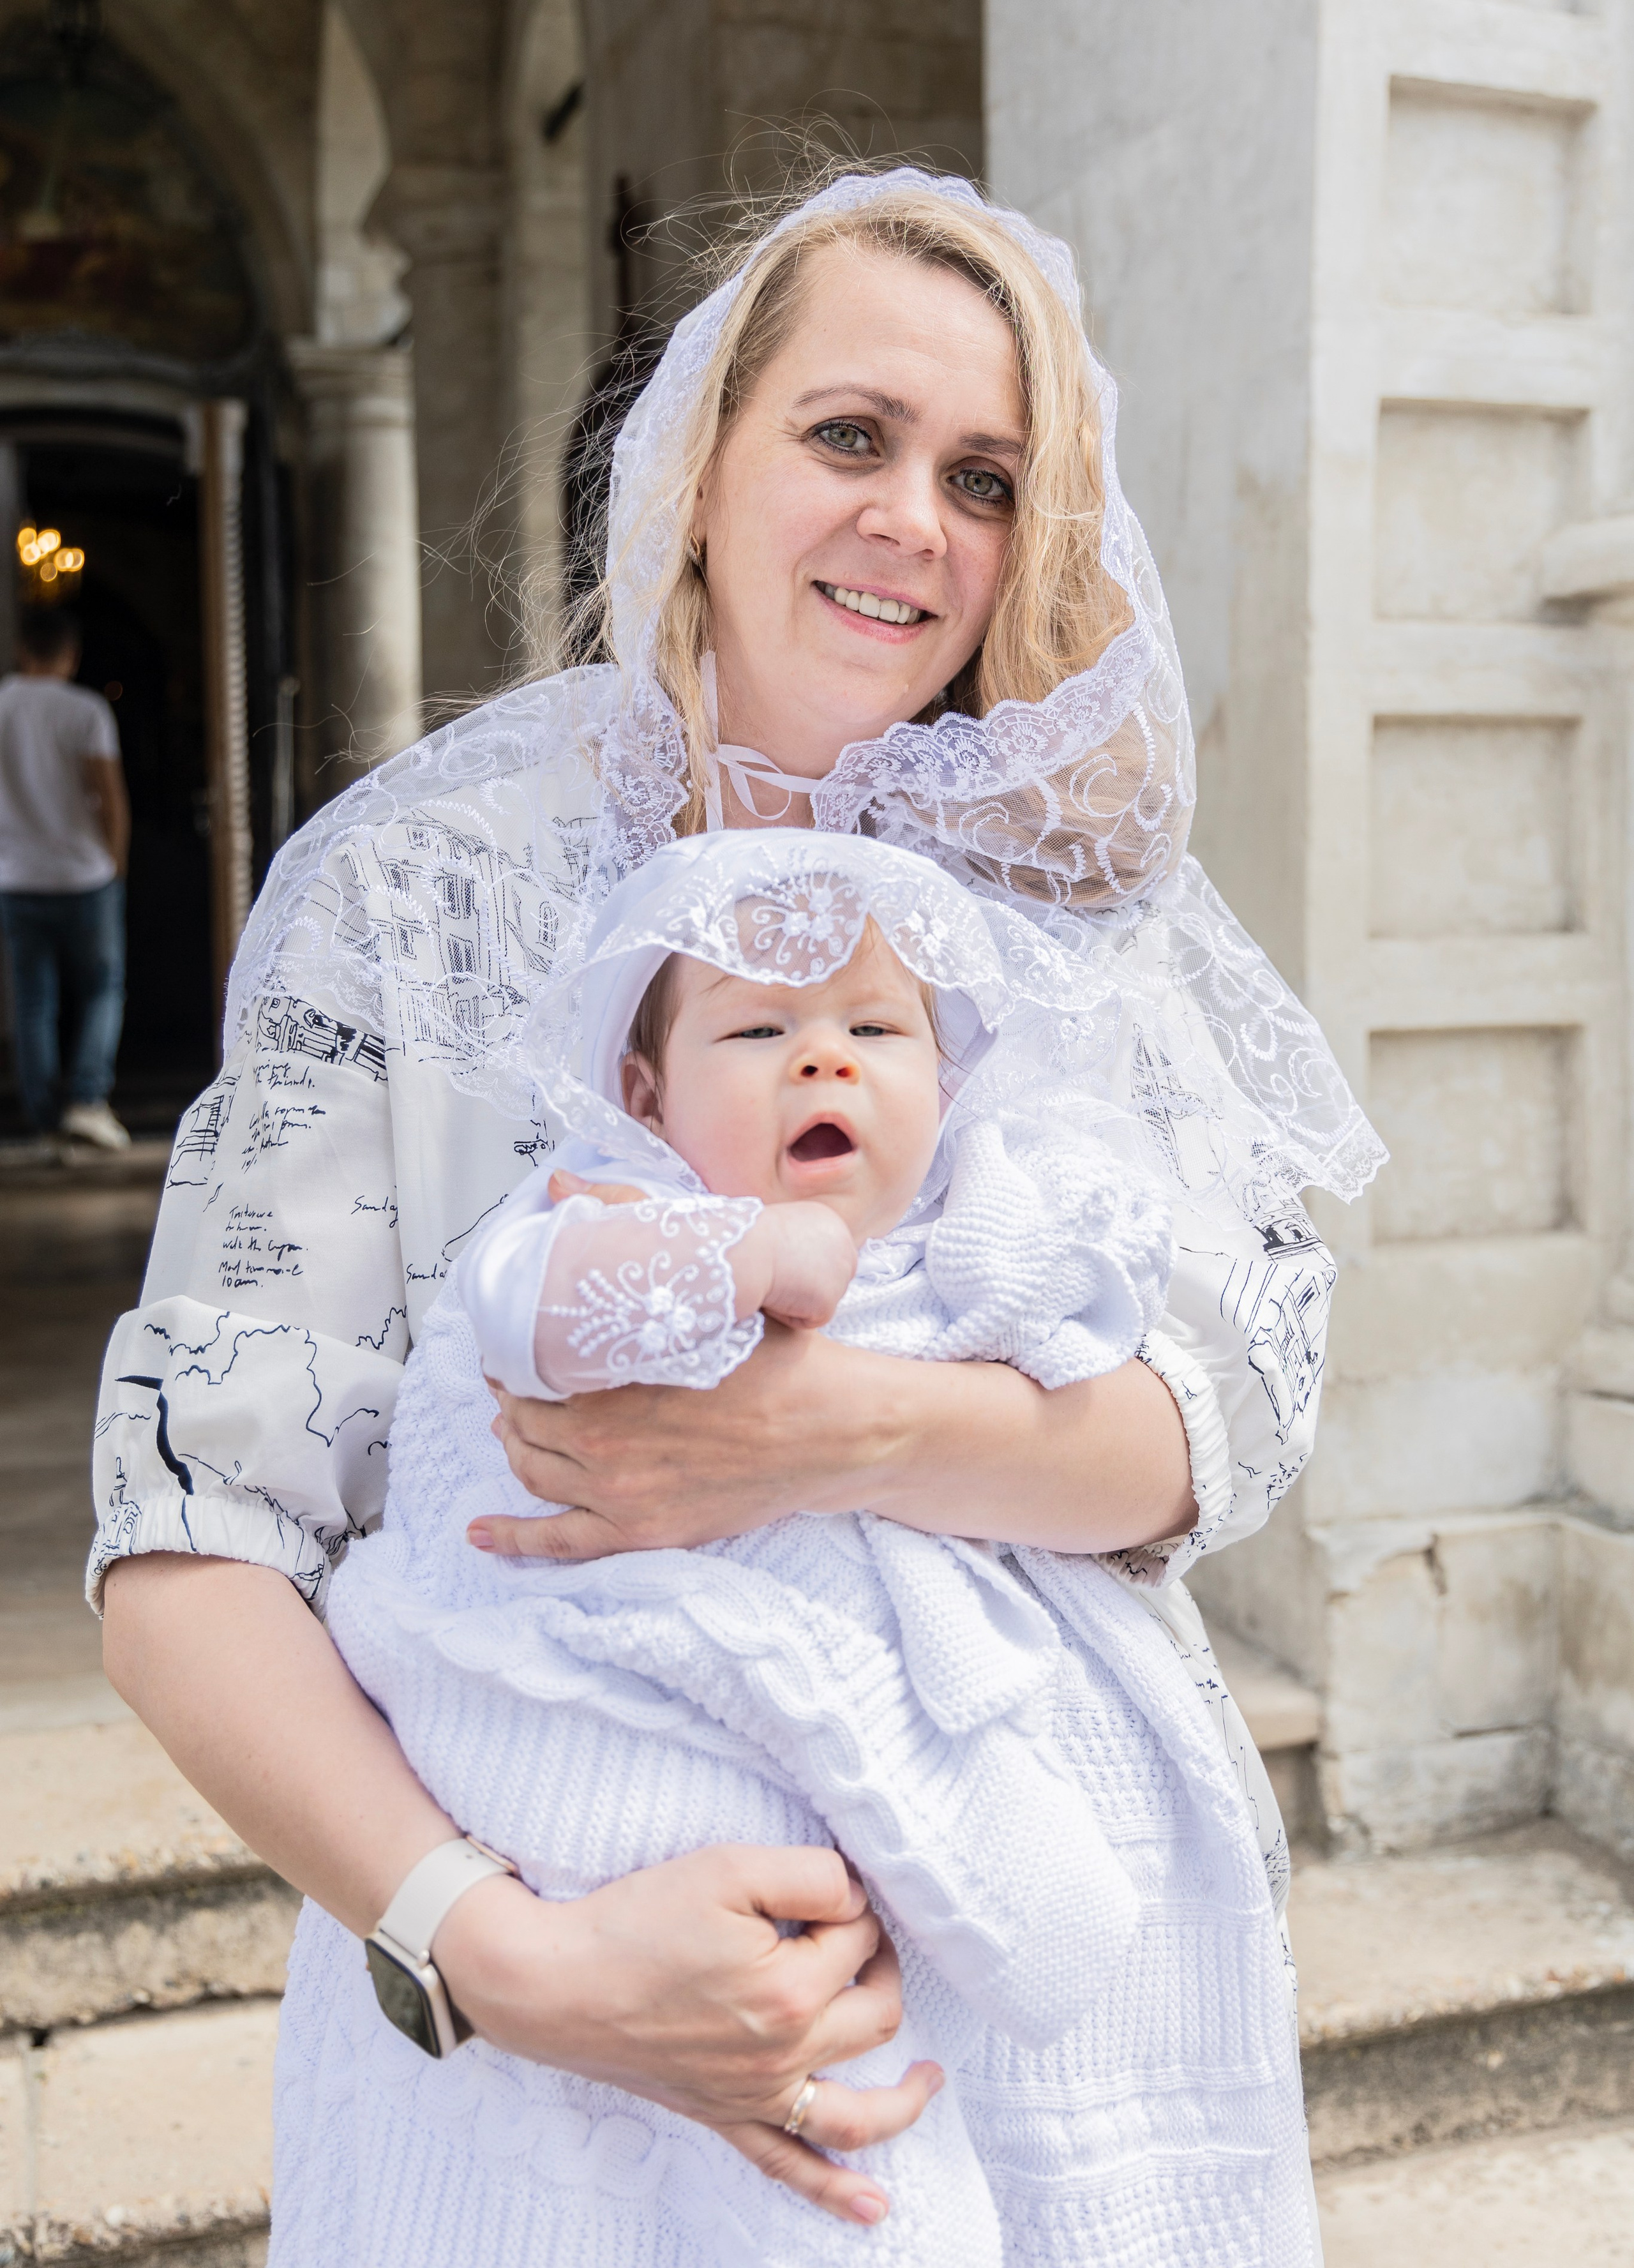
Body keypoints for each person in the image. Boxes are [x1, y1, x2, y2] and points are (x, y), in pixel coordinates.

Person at [93, 169, 1382, 2251]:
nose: (917, 522)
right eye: (849, 437)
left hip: (1029, 2015)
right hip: (549, 2014)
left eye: (985, 475)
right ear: (698, 463)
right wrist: (518, 1960)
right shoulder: (418, 892)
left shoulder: (1060, 916)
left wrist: (840, 1432)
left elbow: (1224, 1414)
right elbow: (185, 1544)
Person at [257, 821, 1317, 2260]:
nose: (823, 1058)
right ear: (643, 1090)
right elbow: (527, 1308)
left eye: (876, 1028)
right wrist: (728, 1261)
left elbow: (1139, 1391)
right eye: (758, 1027)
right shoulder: (607, 1205)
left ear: (945, 1084)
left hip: (910, 1881)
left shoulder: (961, 1243)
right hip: (633, 1741)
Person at [0, 608, 131, 1150]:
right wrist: (117, 862)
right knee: (103, 988)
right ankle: (87, 1097)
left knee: (32, 1000)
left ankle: (44, 1116)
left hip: (15, 876)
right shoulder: (86, 709)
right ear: (71, 656)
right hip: (83, 874)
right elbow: (109, 795)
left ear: (23, 650)